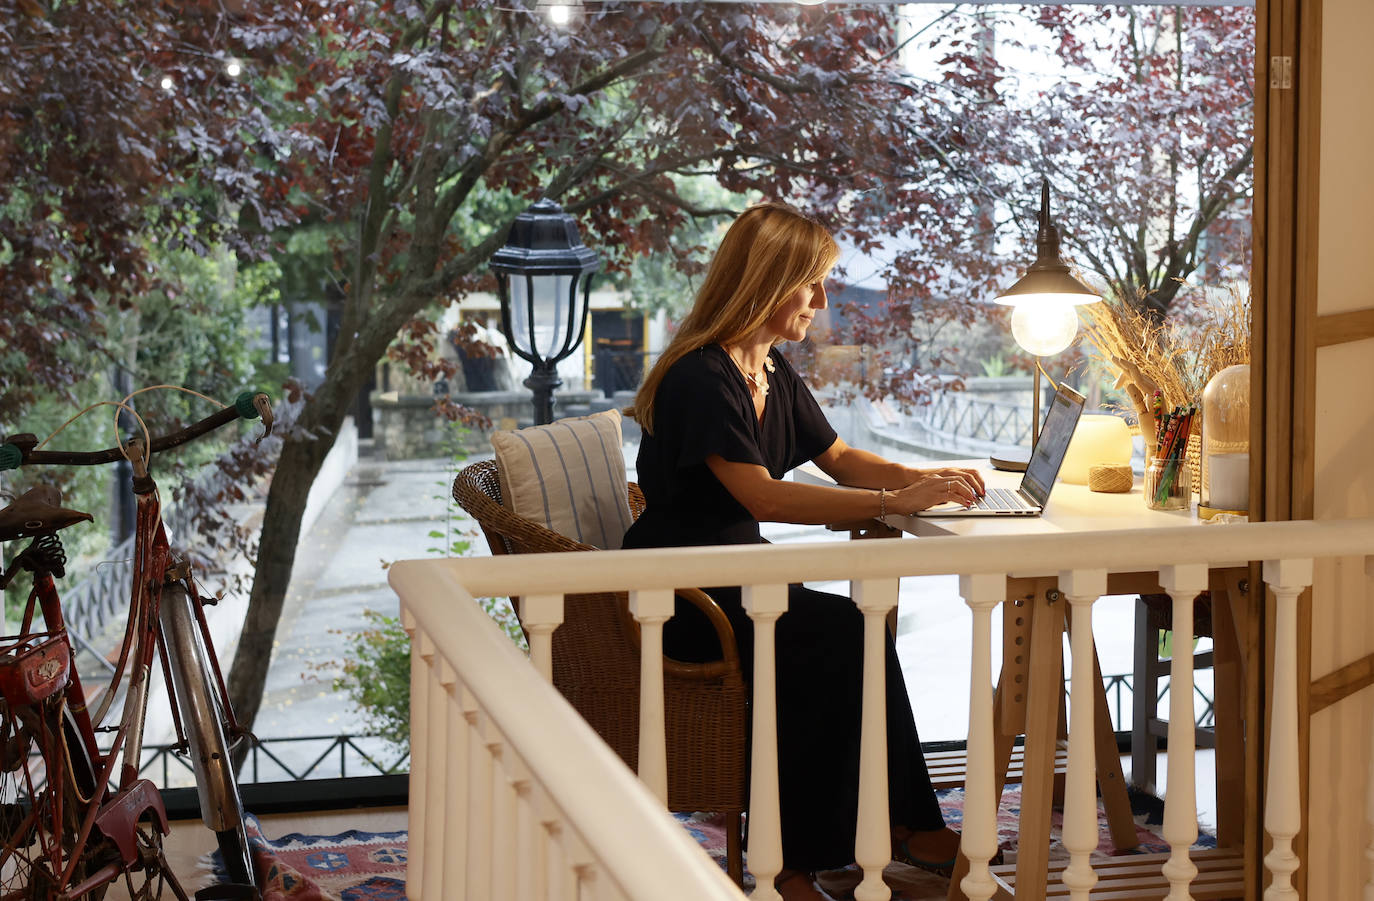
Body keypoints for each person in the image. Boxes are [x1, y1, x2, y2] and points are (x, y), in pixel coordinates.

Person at [623, 201, 986, 901]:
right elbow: (765, 498)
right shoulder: (702, 377)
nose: (823, 300)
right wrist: (893, 504)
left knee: (851, 629)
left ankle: (899, 823)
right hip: (686, 592)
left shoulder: (770, 370)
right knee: (833, 635)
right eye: (811, 283)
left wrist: (931, 481)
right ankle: (790, 861)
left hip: (743, 577)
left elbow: (842, 458)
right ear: (766, 282)